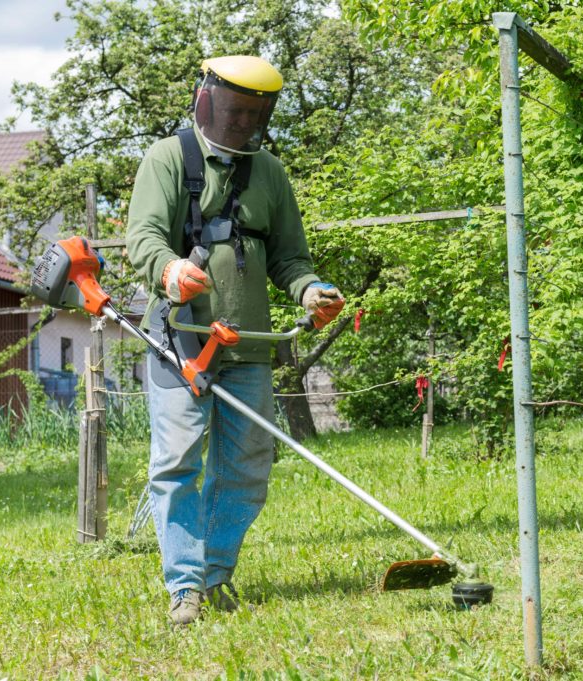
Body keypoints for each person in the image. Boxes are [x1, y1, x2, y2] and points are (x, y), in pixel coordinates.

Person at [126, 55, 343, 625]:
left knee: (246, 467)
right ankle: (184, 586)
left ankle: (215, 575)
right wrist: (169, 269)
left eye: (256, 113)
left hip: (248, 342)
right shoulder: (167, 159)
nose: (245, 122)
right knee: (175, 463)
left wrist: (311, 291)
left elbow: (290, 258)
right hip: (182, 340)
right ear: (207, 101)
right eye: (236, 110)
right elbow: (143, 236)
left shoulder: (269, 172)